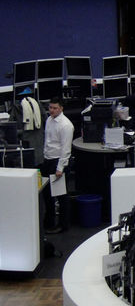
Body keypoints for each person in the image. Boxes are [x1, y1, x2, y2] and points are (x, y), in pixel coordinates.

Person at [42, 97, 74, 234]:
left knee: (61, 196)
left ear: (61, 108)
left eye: (55, 108)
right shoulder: (49, 120)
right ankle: (48, 222)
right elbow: (48, 140)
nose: (52, 110)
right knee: (46, 193)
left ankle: (63, 225)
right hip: (48, 160)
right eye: (50, 108)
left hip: (58, 162)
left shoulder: (66, 125)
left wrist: (60, 168)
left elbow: (65, 149)